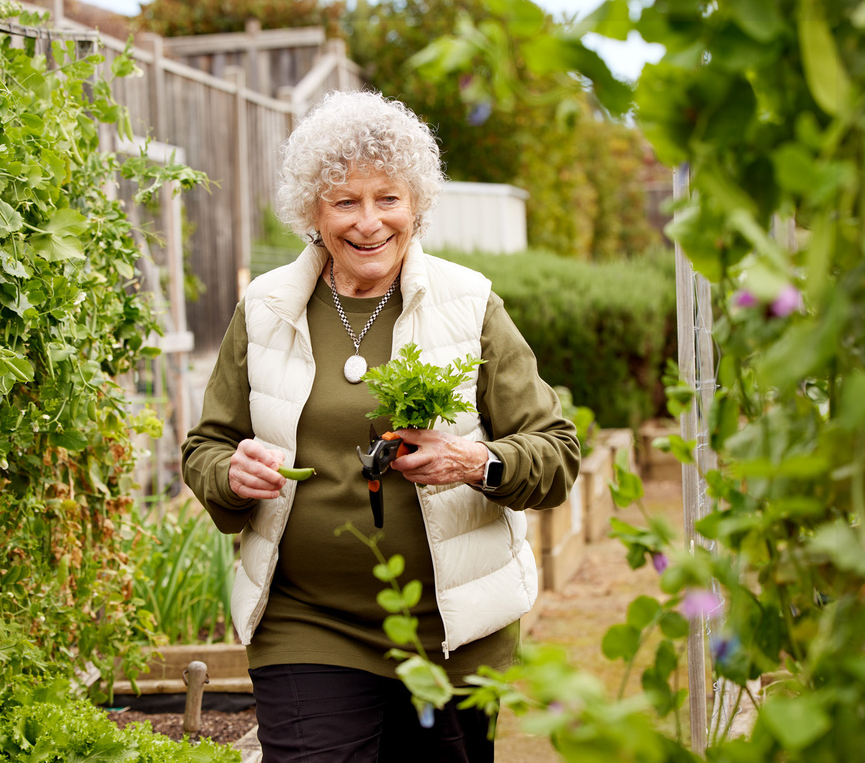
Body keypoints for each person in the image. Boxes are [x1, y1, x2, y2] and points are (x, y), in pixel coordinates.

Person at [181, 90, 580, 762]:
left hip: (449, 635)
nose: (369, 222)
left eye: (387, 198)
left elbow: (557, 453)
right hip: (308, 623)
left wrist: (471, 461)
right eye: (345, 201)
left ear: (416, 205)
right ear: (313, 210)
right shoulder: (266, 309)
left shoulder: (469, 305)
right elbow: (206, 446)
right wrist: (230, 473)